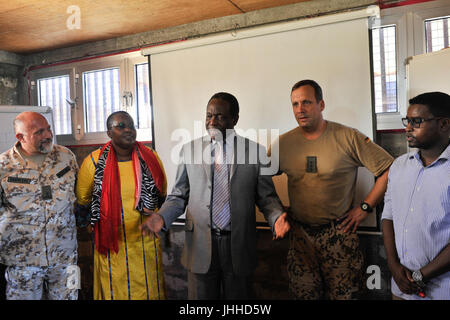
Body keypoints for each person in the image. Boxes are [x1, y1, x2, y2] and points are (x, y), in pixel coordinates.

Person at [141, 92, 290, 300]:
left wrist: (276, 218)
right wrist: (162, 216)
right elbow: (178, 196)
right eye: (208, 115)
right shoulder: (189, 150)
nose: (212, 122)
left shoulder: (255, 152)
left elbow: (267, 197)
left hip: (238, 246)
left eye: (219, 116)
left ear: (234, 119)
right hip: (200, 245)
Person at [271, 79, 394, 299]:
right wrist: (276, 211)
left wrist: (365, 207)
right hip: (300, 238)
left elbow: (389, 169)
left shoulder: (347, 137)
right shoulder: (283, 144)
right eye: (295, 104)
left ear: (321, 104)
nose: (300, 109)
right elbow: (259, 180)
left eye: (307, 102)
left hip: (338, 235)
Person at [75, 111, 167, 300]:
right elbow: (83, 200)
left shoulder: (151, 157)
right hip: (111, 245)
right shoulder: (93, 161)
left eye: (131, 125)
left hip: (145, 243)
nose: (128, 130)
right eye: (121, 126)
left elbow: (162, 194)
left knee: (149, 292)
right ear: (109, 133)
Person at [0, 111, 79, 300]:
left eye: (49, 129)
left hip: (65, 256)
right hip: (22, 260)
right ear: (21, 137)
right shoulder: (4, 165)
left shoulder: (66, 157)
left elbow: (76, 195)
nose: (48, 135)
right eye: (39, 132)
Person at [382, 91, 450, 300]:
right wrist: (393, 266)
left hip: (441, 290)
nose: (408, 128)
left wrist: (420, 276)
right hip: (401, 287)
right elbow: (388, 216)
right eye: (408, 121)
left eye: (417, 121)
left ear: (444, 124)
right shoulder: (399, 165)